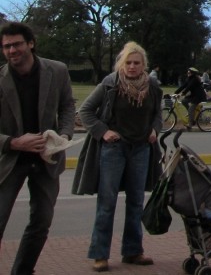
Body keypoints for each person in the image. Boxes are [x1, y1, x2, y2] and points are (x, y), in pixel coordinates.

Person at [75, 41, 162, 272]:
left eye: (137, 63)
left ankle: (133, 251)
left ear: (144, 65)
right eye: (128, 62)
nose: (132, 67)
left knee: (136, 202)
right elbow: (85, 111)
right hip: (114, 149)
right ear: (121, 64)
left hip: (141, 149)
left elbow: (157, 115)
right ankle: (100, 254)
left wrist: (154, 130)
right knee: (107, 202)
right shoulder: (110, 83)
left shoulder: (152, 86)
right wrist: (103, 132)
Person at [0, 22, 76, 275]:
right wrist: (13, 142)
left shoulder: (57, 70)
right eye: (7, 46)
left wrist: (63, 135)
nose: (12, 51)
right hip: (10, 161)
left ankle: (22, 271)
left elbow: (67, 106)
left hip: (46, 160)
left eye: (17, 44)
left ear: (30, 43)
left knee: (41, 222)